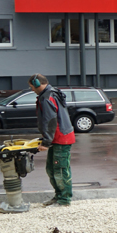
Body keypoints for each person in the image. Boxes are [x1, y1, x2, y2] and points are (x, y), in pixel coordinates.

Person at [30, 74, 76, 205]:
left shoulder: (47, 97)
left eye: (32, 86)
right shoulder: (53, 93)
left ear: (38, 84)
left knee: (60, 169)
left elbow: (50, 121)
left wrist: (46, 142)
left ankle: (64, 199)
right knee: (51, 168)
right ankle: (59, 195)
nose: (32, 89)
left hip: (60, 138)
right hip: (58, 137)